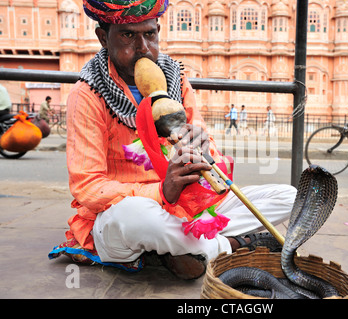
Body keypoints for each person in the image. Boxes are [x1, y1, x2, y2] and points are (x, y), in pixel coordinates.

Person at [49, 0, 296, 280]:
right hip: (128, 213)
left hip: (185, 206)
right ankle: (235, 246)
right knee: (135, 217)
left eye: (150, 34)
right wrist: (161, 192)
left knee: (290, 198)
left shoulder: (177, 80)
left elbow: (206, 144)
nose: (143, 47)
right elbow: (87, 187)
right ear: (104, 38)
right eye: (128, 35)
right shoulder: (88, 94)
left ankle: (178, 249)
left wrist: (203, 148)